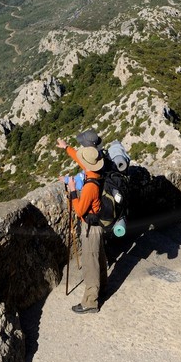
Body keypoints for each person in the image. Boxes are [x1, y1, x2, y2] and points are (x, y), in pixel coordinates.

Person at [56, 134, 106, 313]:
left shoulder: (90, 186)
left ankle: (90, 302)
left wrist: (72, 191)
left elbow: (79, 210)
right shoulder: (96, 170)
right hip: (98, 224)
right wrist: (67, 147)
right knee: (98, 257)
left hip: (91, 227)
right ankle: (103, 287)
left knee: (90, 263)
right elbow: (81, 158)